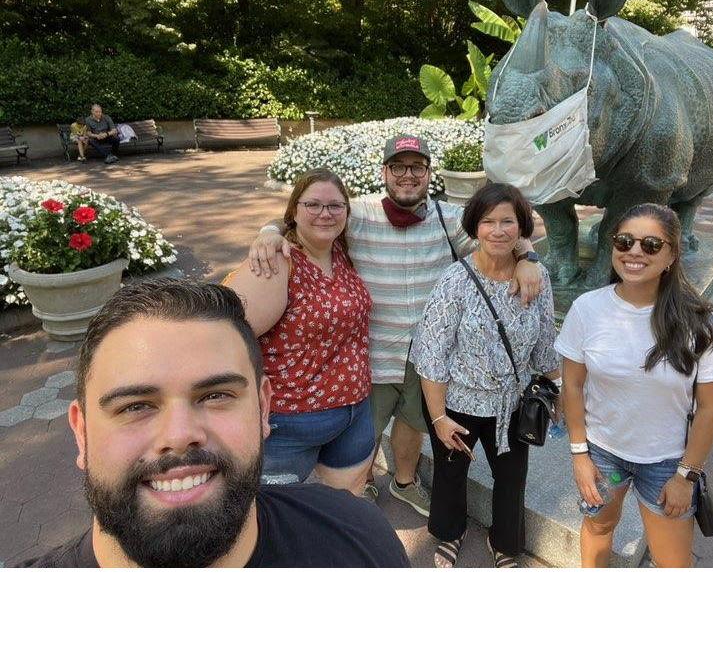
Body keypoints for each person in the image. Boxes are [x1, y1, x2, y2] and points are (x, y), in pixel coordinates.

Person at [16, 279, 409, 568]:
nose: (180, 435)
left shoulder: (359, 538)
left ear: (263, 409)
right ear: (81, 432)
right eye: (135, 406)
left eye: (216, 396)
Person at [248, 135, 543, 518]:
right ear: (384, 171)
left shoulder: (449, 217)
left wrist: (527, 257)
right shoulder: (357, 212)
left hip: (427, 356)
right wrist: (269, 233)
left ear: (428, 173)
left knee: (412, 422)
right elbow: (305, 215)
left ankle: (404, 483)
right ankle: (359, 481)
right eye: (399, 167)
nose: (408, 175)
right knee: (365, 430)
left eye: (417, 167)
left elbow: (511, 228)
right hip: (370, 349)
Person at [556, 203, 713, 568]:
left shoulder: (703, 322)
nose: (635, 252)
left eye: (651, 245)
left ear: (671, 255)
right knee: (598, 527)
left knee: (673, 563)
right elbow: (572, 386)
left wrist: (686, 476)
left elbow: (711, 408)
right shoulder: (587, 308)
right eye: (625, 241)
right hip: (602, 451)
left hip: (668, 461)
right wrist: (579, 456)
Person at [409, 183, 560, 568]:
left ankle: (504, 541)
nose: (497, 230)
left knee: (512, 479)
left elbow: (545, 343)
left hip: (510, 403)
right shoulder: (454, 281)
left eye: (507, 221)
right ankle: (449, 532)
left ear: (521, 227)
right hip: (456, 402)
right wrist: (440, 419)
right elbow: (432, 355)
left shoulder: (535, 278)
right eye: (488, 221)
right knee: (450, 473)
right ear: (474, 227)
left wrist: (558, 391)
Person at [225, 168, 374, 496]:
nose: (325, 214)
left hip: (354, 412)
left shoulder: (341, 253)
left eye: (335, 206)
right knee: (271, 519)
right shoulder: (278, 260)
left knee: (344, 511)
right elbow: (224, 336)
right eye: (314, 205)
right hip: (290, 423)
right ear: (294, 211)